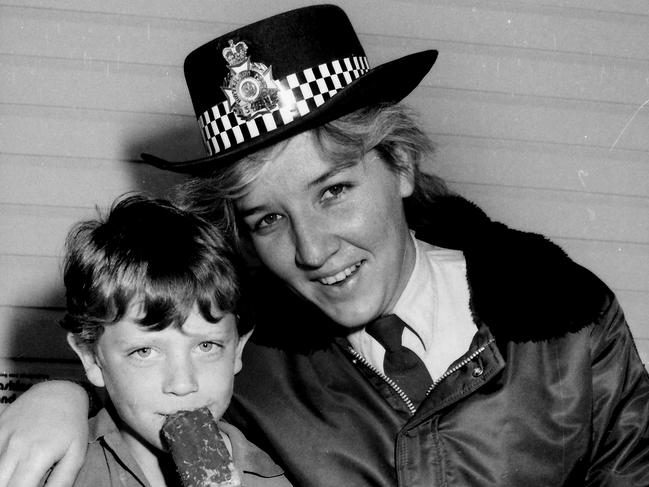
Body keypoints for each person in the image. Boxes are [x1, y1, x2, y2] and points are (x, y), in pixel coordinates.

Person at [1, 5, 648, 487]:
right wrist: (57, 400)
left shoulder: (566, 320)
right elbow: (154, 370)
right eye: (266, 220)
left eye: (332, 191)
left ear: (399, 165)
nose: (311, 250)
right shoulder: (252, 355)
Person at [45, 194, 291, 487]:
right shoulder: (57, 470)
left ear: (237, 349)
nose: (183, 384)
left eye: (206, 346)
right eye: (145, 351)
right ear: (91, 358)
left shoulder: (271, 479)